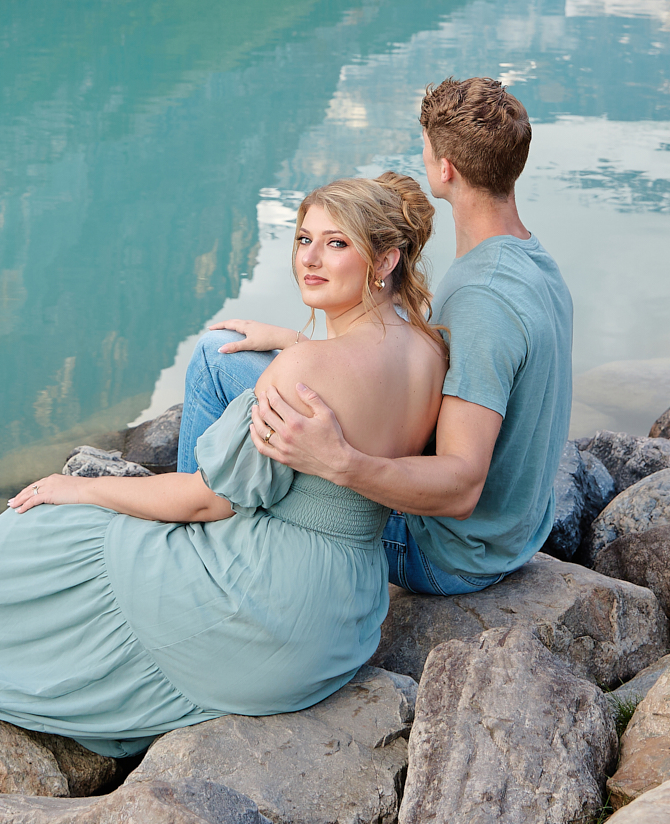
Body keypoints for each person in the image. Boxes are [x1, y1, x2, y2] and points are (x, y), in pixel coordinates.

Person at [0, 174, 445, 769]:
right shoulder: (426, 351)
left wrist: (79, 487)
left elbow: (209, 503)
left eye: (336, 243)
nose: (311, 258)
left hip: (267, 612)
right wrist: (297, 341)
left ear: (383, 258)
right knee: (88, 539)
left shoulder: (304, 372)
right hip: (344, 617)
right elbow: (363, 379)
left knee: (55, 527)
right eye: (304, 238)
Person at [186, 77, 570, 595]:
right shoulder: (534, 262)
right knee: (245, 358)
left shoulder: (481, 302)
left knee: (214, 359)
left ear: (444, 169)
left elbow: (460, 485)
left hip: (448, 551)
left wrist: (343, 463)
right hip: (511, 532)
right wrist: (294, 345)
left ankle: (195, 522)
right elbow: (403, 379)